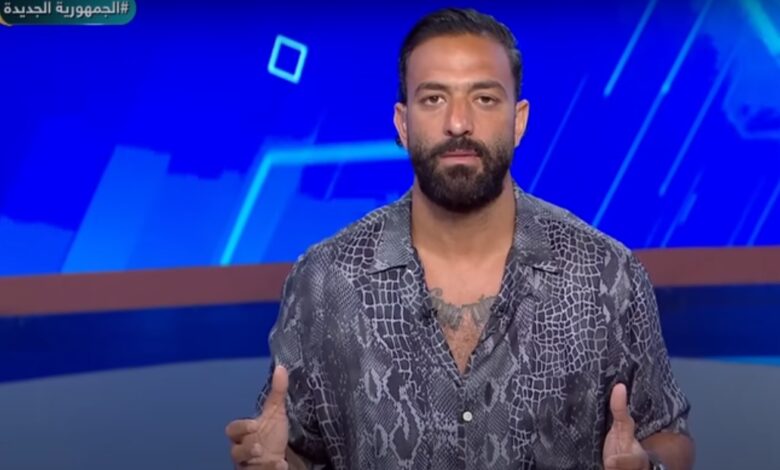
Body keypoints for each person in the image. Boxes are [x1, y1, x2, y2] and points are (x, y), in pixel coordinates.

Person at [226, 7, 694, 470]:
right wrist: (271, 461)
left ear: (519, 120)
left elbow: (667, 434)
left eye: (484, 99)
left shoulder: (605, 274)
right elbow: (295, 449)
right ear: (402, 124)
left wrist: (648, 465)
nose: (458, 123)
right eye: (433, 99)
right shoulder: (327, 280)